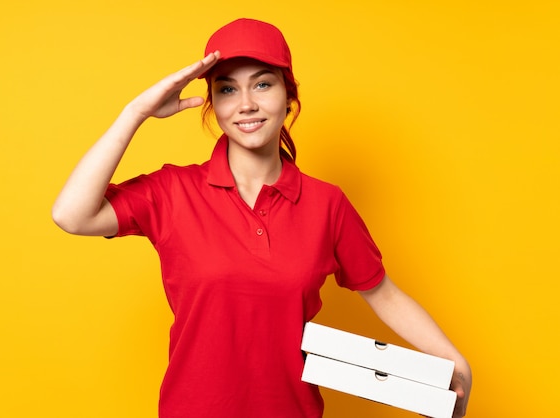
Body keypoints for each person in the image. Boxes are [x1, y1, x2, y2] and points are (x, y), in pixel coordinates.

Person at [52, 18, 471, 418]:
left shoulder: (327, 204)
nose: (247, 104)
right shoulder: (172, 192)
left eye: (263, 84)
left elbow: (384, 294)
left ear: (288, 95)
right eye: (228, 89)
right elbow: (72, 215)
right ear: (212, 103)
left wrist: (452, 360)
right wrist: (136, 112)